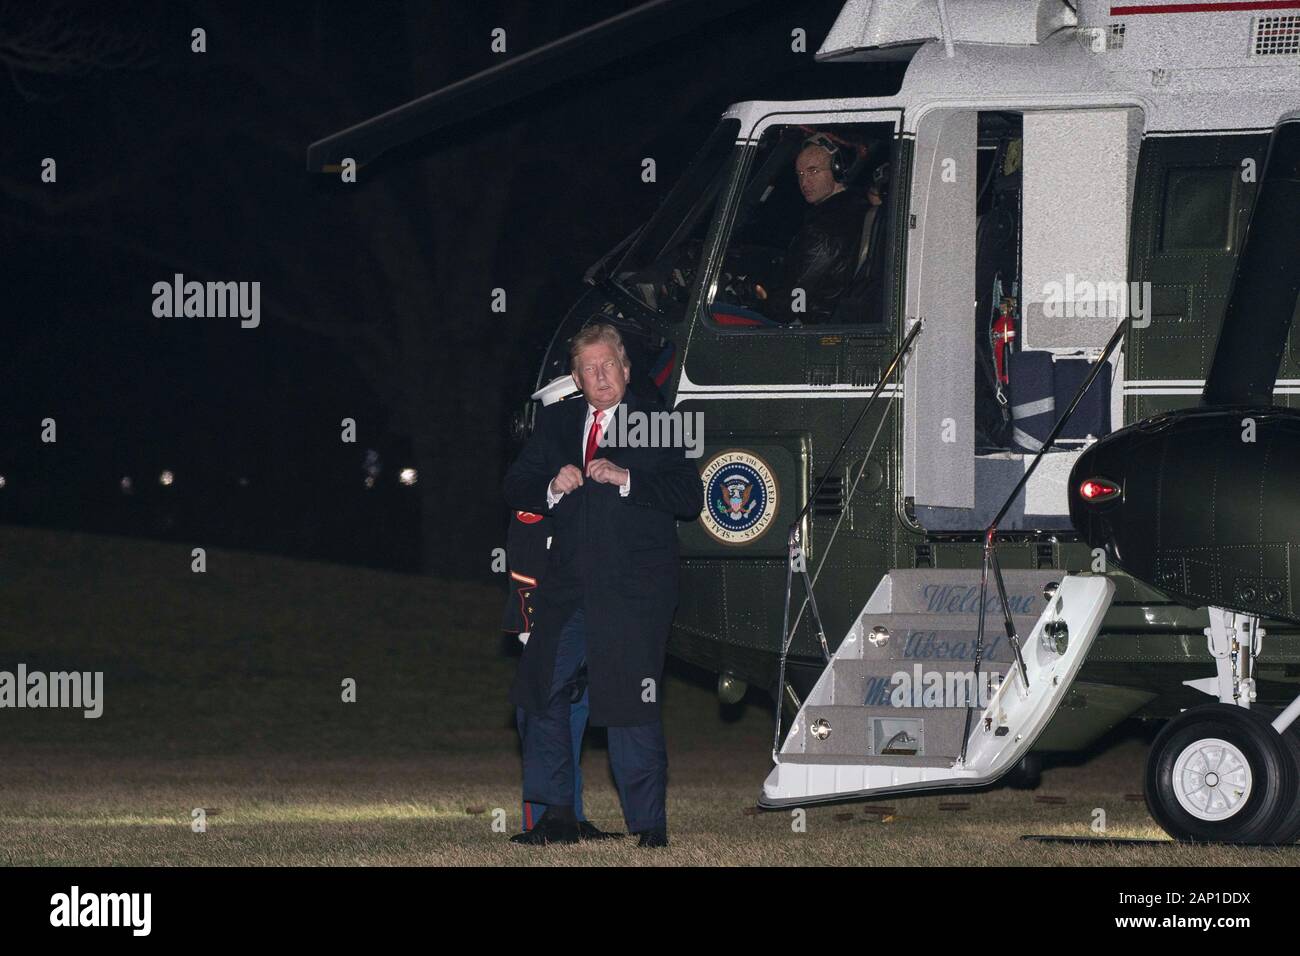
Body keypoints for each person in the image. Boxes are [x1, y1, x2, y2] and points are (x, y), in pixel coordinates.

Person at [503, 322, 703, 847]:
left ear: (626, 369)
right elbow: (514, 485)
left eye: (608, 365)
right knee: (539, 689)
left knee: (628, 701)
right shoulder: (556, 423)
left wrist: (628, 479)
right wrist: (550, 486)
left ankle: (649, 827)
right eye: (589, 369)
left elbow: (690, 496)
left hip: (636, 588)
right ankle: (557, 817)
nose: (601, 375)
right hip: (568, 588)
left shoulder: (658, 421)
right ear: (576, 379)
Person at [758, 134, 870, 324]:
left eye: (813, 171)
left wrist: (763, 306)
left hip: (811, 323)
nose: (804, 182)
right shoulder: (852, 208)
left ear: (837, 171)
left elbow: (798, 294)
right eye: (800, 174)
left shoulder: (827, 228)